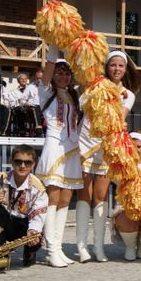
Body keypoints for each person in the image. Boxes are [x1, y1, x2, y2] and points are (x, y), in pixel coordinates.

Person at [76, 51, 139, 263]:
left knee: (101, 196)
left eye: (121, 65)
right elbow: (82, 103)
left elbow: (119, 118)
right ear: (107, 67)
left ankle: (98, 246)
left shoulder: (128, 94)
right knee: (85, 194)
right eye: (113, 65)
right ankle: (81, 246)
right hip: (86, 140)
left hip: (106, 144)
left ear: (125, 69)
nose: (117, 69)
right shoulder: (95, 85)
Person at [36, 53, 83, 267]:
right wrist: (54, 47)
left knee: (65, 200)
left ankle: (59, 246)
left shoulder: (75, 95)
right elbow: (47, 70)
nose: (63, 77)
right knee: (52, 198)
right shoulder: (45, 92)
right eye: (59, 73)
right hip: (54, 145)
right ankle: (51, 248)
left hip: (72, 148)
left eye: (67, 74)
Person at [0, 144, 46, 268]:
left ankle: (30, 252)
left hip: (26, 224)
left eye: (27, 163)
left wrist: (33, 232)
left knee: (39, 228)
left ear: (33, 164)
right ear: (11, 162)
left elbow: (38, 215)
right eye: (18, 161)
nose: (23, 166)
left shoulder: (38, 188)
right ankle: (1, 252)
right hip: (7, 222)